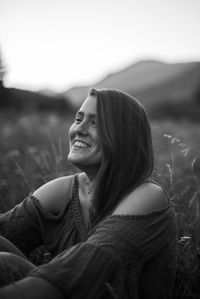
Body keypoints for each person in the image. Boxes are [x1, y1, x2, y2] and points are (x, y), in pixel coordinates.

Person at [0, 88, 177, 298]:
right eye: (78, 119)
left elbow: (87, 268)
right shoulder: (62, 191)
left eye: (95, 123)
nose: (79, 129)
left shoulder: (147, 197)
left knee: (5, 262)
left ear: (124, 136)